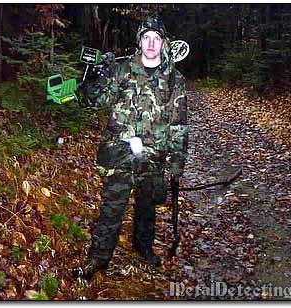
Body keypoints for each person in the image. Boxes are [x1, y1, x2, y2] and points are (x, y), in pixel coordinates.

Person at [76, 15, 188, 280]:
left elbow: (179, 124)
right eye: (146, 37)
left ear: (164, 44)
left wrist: (176, 163)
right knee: (111, 208)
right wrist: (94, 77)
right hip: (119, 154)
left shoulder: (175, 79)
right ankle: (98, 258)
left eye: (156, 38)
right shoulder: (121, 69)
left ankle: (143, 248)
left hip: (153, 156)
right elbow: (95, 102)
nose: (151, 43)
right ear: (139, 42)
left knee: (147, 207)